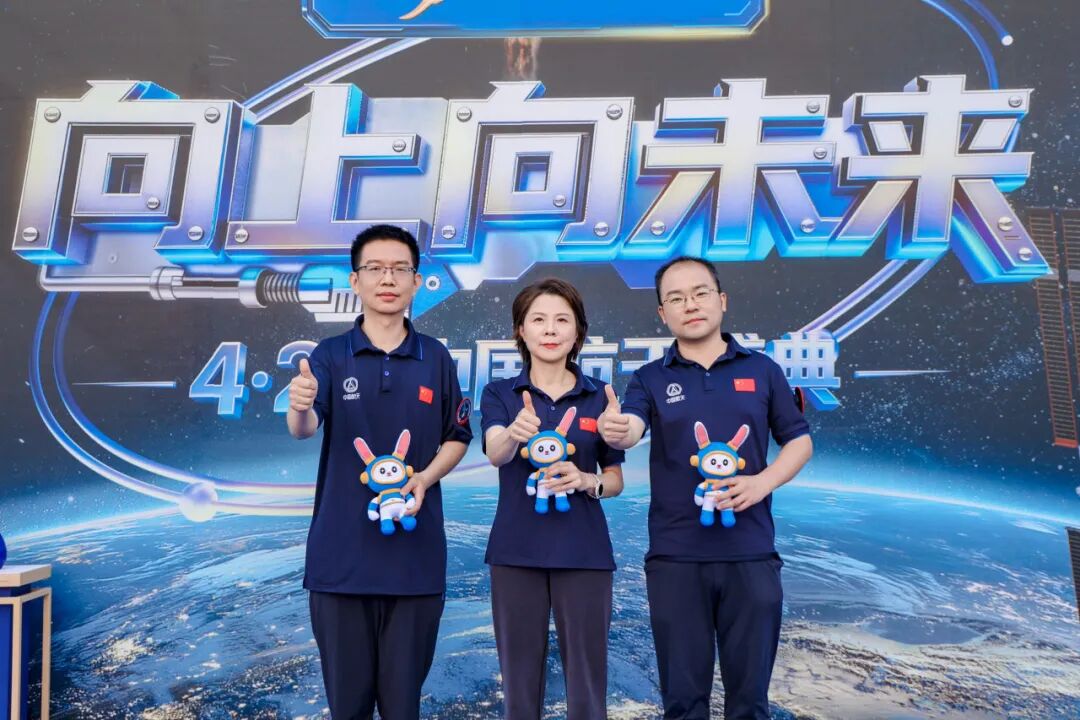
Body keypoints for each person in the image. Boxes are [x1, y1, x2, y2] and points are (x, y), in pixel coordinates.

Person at [598, 256, 813, 720]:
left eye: (699, 293)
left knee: (750, 703)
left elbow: (799, 441)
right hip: (676, 558)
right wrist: (617, 430)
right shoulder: (651, 378)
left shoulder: (763, 370)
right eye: (675, 298)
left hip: (751, 555)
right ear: (662, 313)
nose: (690, 305)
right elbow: (632, 428)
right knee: (682, 703)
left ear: (722, 300)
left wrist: (761, 483)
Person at [286, 224, 473, 720]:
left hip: (415, 564)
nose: (387, 279)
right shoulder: (330, 355)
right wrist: (299, 405)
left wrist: (424, 478)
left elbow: (458, 436)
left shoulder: (436, 357)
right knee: (348, 709)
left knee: (402, 708)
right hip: (339, 564)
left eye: (399, 269)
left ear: (416, 281)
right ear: (355, 280)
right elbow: (304, 428)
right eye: (374, 268)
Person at [480, 277, 626, 720]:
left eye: (562, 320)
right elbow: (495, 453)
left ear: (578, 332)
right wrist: (513, 433)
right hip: (515, 553)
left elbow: (614, 479)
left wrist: (587, 480)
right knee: (520, 688)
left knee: (587, 687)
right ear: (520, 331)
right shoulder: (499, 393)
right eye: (538, 319)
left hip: (584, 554)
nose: (550, 329)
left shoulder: (599, 395)